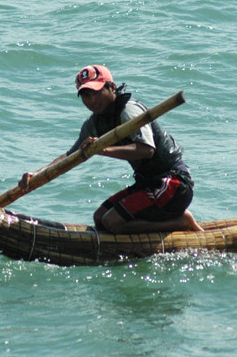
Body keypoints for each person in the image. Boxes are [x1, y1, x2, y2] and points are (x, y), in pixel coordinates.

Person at [19, 65, 202, 234]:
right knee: (100, 219)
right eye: (86, 95)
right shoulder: (94, 123)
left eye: (97, 93)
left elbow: (146, 150)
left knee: (112, 222)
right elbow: (71, 156)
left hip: (173, 184)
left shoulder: (129, 111)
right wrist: (37, 174)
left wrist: (101, 149)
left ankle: (180, 222)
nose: (92, 101)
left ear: (112, 88)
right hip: (147, 184)